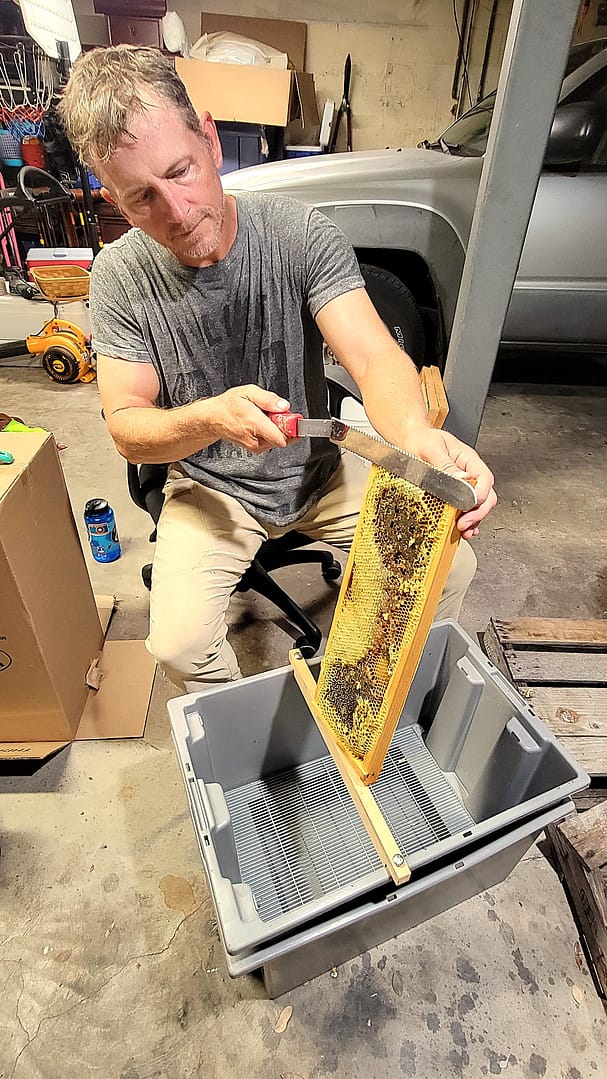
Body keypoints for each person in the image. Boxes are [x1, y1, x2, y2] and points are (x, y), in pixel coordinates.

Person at [59, 46, 497, 693]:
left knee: (449, 566)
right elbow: (126, 423)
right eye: (142, 198)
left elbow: (373, 355)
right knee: (176, 643)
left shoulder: (298, 234)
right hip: (211, 487)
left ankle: (380, 698)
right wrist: (211, 417)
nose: (176, 212)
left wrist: (417, 435)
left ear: (208, 138)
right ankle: (243, 735)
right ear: (115, 201)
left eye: (180, 172)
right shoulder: (119, 277)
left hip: (319, 468)